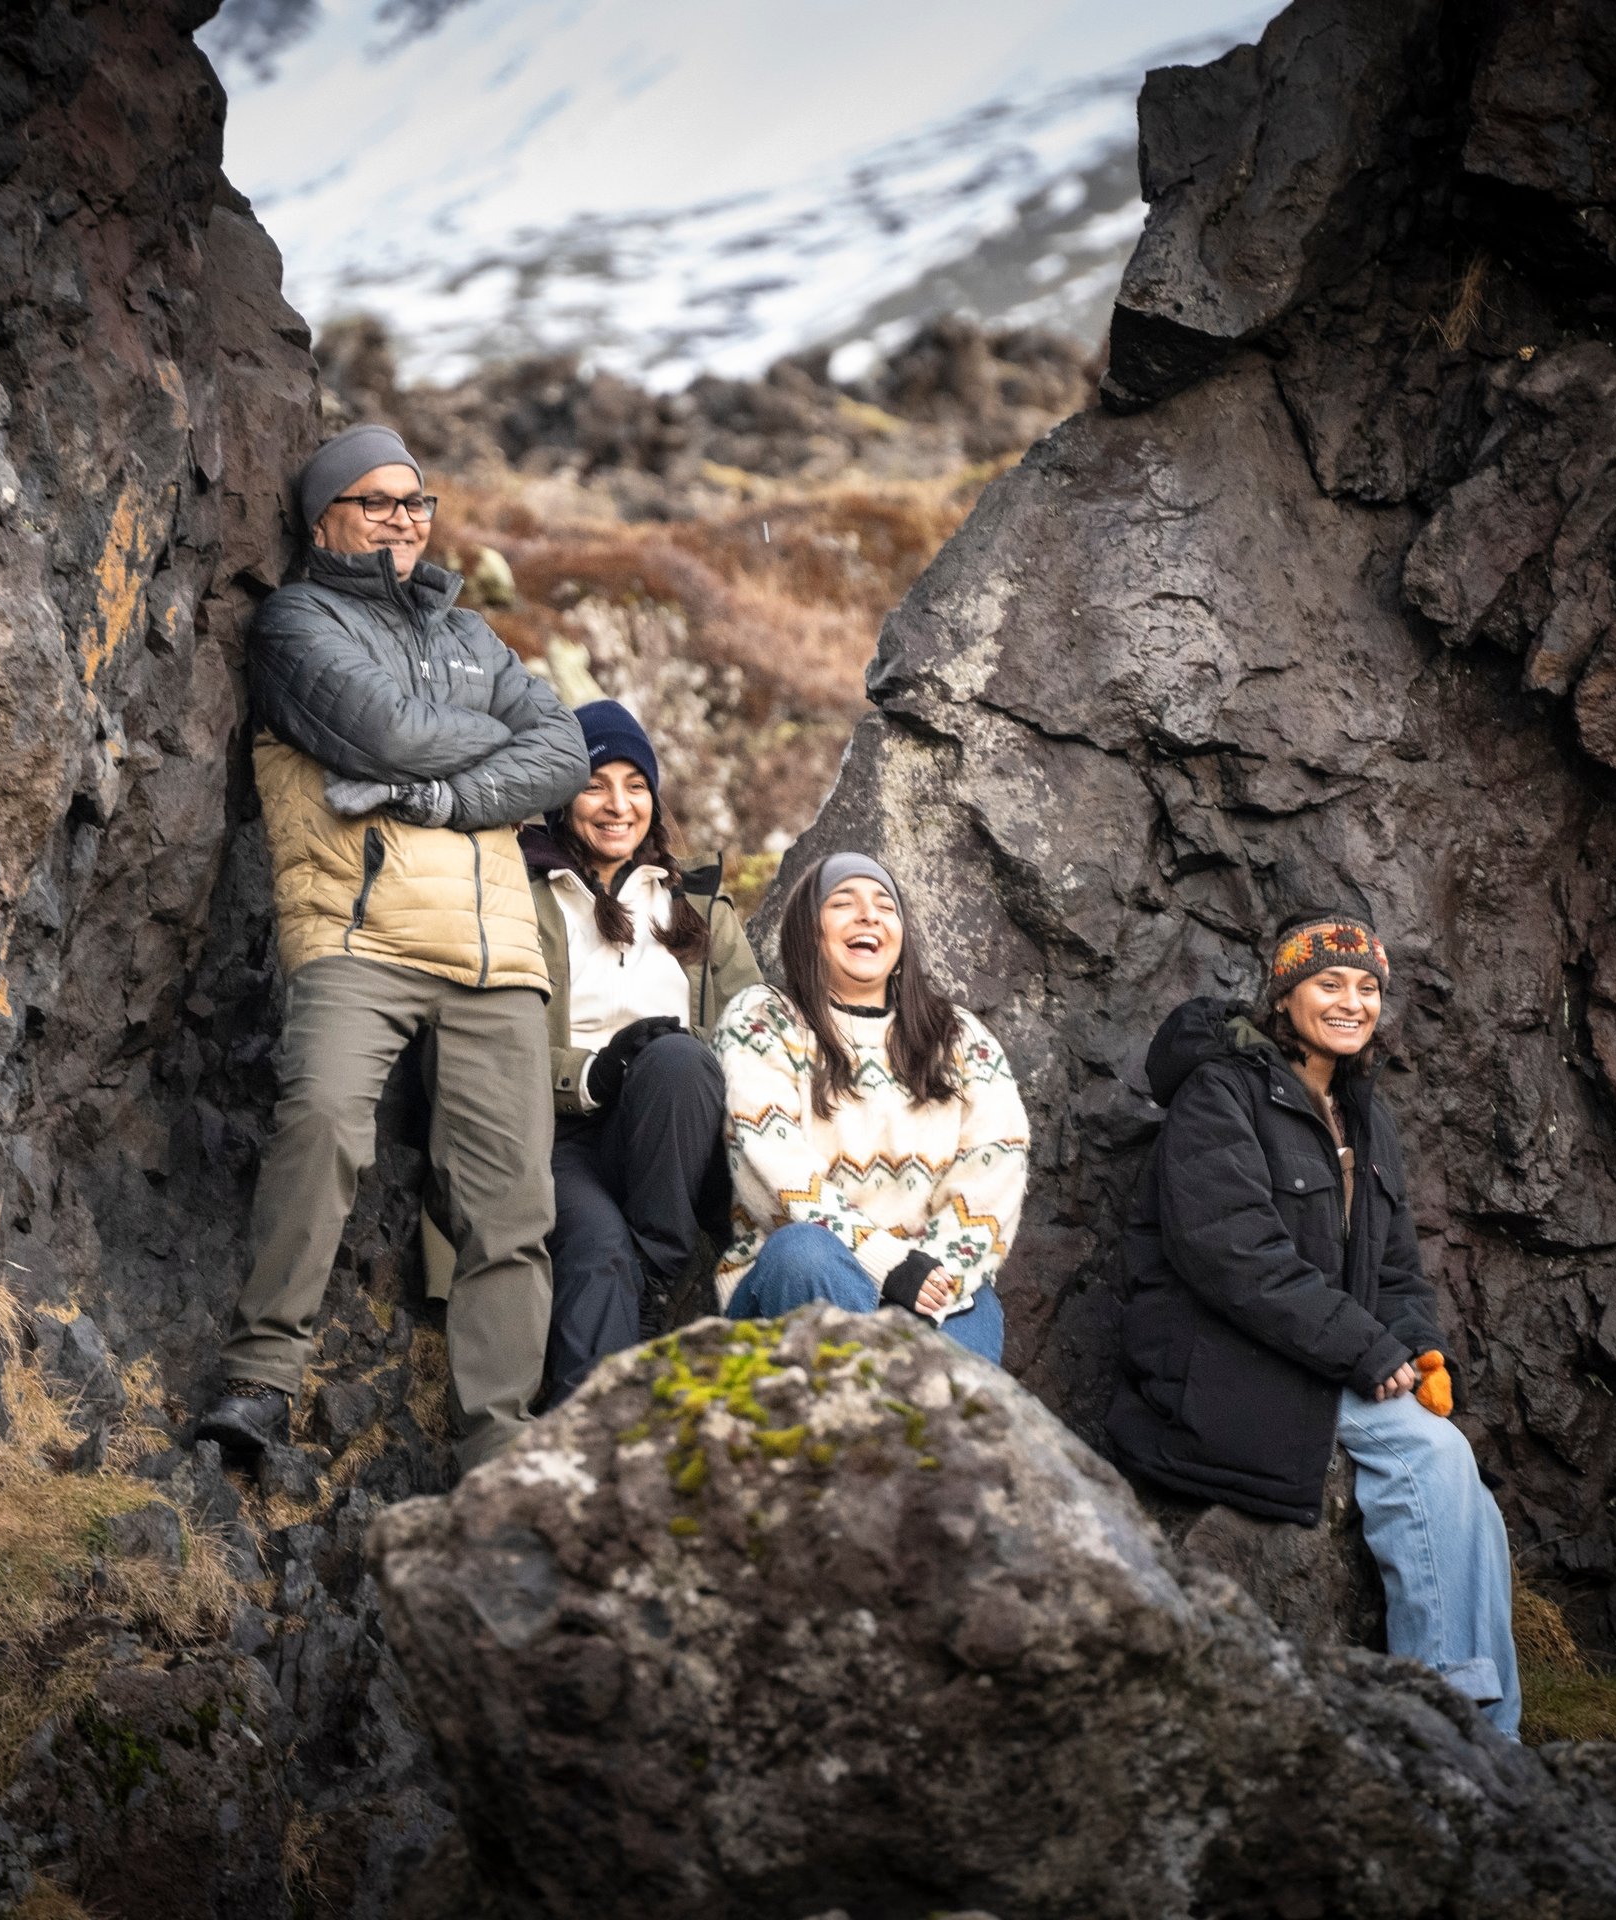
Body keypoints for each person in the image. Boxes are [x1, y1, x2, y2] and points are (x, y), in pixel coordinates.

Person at [196, 423, 588, 1471]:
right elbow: (391, 734)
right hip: (358, 934)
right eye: (379, 502)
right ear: (325, 516)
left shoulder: (473, 636)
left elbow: (567, 753)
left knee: (513, 1207)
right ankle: (259, 1382)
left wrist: (443, 794)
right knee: (321, 1123)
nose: (406, 521)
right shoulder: (295, 625)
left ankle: (497, 1445)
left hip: (498, 954)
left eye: (418, 503)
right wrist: (474, 742)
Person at [1107, 912, 1521, 1737]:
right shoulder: (1221, 1094)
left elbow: (1395, 1265)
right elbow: (1235, 1257)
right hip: (1227, 1365)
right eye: (1328, 983)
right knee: (1431, 1456)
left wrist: (1419, 1347)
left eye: (1368, 987)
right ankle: (1454, 1724)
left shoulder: (1367, 1116)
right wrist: (1367, 1351)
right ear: (1284, 994)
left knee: (1467, 1488)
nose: (1351, 1001)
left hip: (1312, 1359)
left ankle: (1491, 1733)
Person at [520, 699, 761, 1405]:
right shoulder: (524, 894)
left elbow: (752, 1036)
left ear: (655, 800)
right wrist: (591, 1072)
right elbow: (496, 1038)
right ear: (564, 797)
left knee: (681, 1058)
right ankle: (585, 1458)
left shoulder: (702, 909)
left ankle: (660, 1276)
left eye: (636, 785)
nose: (617, 804)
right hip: (559, 1139)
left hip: (671, 1138)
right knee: (596, 1253)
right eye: (596, 783)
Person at [711, 852, 1029, 1362]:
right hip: (797, 1281)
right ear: (809, 932)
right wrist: (886, 1264)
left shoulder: (961, 1037)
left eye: (886, 905)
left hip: (929, 1283)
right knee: (804, 1256)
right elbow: (771, 1164)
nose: (869, 915)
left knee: (968, 1323)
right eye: (843, 903)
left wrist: (930, 1275)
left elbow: (998, 1169)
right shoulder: (762, 1019)